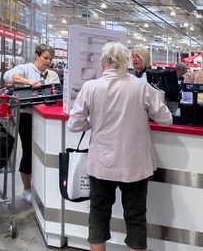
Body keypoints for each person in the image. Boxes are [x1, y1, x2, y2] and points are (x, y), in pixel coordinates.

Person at [68, 42, 172, 251]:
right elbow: (166, 119)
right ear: (126, 62)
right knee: (135, 219)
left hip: (101, 163)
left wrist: (94, 120)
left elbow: (74, 125)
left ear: (103, 62)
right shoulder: (141, 86)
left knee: (98, 215)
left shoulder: (91, 87)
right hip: (135, 163)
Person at [4, 44, 60, 203]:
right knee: (28, 151)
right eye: (45, 58)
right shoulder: (26, 68)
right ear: (36, 56)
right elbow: (8, 76)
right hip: (27, 116)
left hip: (47, 118)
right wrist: (30, 82)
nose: (48, 61)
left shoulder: (53, 75)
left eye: (50, 59)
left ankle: (42, 185)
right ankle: (27, 188)